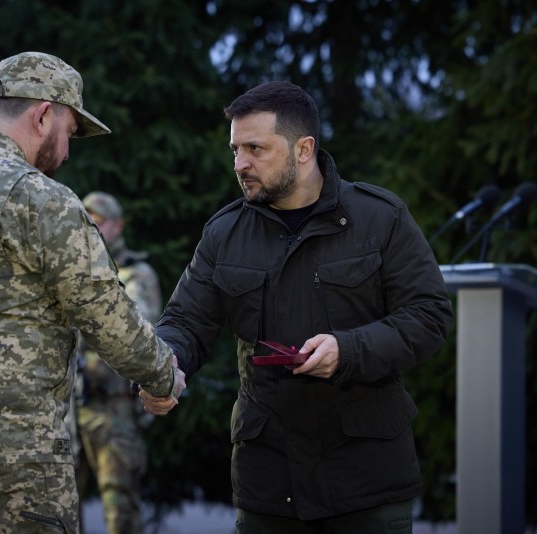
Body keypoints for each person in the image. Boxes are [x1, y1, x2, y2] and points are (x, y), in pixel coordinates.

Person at [0, 51, 184, 534]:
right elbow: (105, 314)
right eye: (68, 131)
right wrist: (162, 378)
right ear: (43, 115)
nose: (67, 152)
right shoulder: (37, 197)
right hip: (13, 460)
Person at [141, 81, 452, 533]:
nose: (240, 164)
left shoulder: (379, 217)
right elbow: (186, 321)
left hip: (365, 482)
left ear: (303, 148)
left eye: (255, 149)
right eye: (234, 150)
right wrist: (162, 365)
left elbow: (429, 315)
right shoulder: (224, 233)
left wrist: (349, 350)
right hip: (269, 484)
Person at [71, 191, 161, 534]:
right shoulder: (72, 274)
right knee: (59, 510)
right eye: (86, 221)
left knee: (120, 510)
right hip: (70, 410)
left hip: (115, 411)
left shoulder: (135, 274)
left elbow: (134, 330)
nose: (92, 228)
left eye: (99, 221)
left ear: (118, 225)